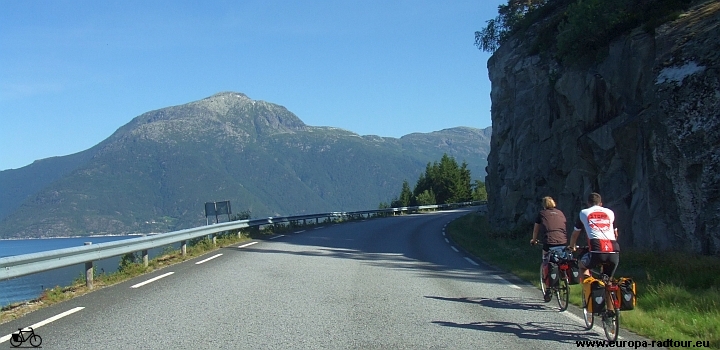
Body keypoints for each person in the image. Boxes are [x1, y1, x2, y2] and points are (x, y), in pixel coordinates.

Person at [567, 192, 619, 283]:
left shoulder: (584, 212)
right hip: (614, 250)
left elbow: (575, 234)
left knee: (581, 265)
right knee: (608, 281)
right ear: (601, 204)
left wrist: (572, 246)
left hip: (596, 249)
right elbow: (616, 234)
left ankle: (589, 290)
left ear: (588, 203)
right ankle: (609, 294)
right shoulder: (610, 212)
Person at [530, 196, 568, 301]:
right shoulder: (561, 213)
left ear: (544, 205)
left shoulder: (542, 213)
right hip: (563, 242)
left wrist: (533, 240)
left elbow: (536, 230)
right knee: (560, 260)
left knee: (546, 261)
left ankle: (548, 289)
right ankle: (562, 276)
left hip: (549, 242)